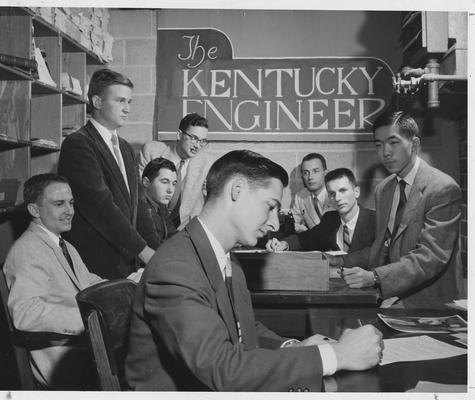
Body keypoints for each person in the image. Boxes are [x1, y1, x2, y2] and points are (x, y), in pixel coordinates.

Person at [125, 150, 383, 391]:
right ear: (237, 190)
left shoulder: (227, 259)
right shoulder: (176, 268)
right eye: (270, 206)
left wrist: (293, 346)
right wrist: (336, 355)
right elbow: (223, 369)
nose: (272, 222)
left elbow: (243, 328)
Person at [341, 110, 463, 308]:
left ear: (414, 144)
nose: (385, 152)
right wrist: (339, 262)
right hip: (393, 298)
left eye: (393, 142)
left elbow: (431, 257)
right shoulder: (384, 189)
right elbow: (381, 246)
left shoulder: (442, 188)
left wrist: (375, 277)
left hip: (434, 305)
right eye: (378, 145)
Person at [3, 174, 104, 389]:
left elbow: (87, 282)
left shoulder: (64, 244)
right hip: (65, 360)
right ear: (34, 210)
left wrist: (127, 286)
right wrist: (87, 319)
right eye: (59, 204)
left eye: (71, 203)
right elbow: (26, 313)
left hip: (85, 349)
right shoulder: (27, 249)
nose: (70, 211)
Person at [58, 68, 152, 279]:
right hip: (96, 263)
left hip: (127, 260)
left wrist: (159, 254)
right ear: (98, 102)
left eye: (129, 102)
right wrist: (145, 251)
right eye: (120, 101)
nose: (127, 109)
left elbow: (140, 206)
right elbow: (100, 205)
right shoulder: (78, 144)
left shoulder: (126, 148)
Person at [266, 168, 375, 267]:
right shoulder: (330, 219)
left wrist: (339, 260)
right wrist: (284, 244)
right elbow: (307, 239)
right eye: (332, 193)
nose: (337, 198)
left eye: (342, 191)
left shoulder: (375, 220)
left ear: (356, 192)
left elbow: (374, 254)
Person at [137, 112, 215, 229]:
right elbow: (139, 192)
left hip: (184, 228)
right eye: (194, 138)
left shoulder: (206, 162)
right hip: (150, 222)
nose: (197, 146)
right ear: (179, 135)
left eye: (202, 141)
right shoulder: (152, 151)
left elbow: (212, 199)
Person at [137, 157, 178, 250]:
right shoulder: (140, 208)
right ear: (146, 182)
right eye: (164, 182)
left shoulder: (160, 205)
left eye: (174, 184)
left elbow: (172, 234)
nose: (170, 190)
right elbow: (155, 245)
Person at [290, 153, 334, 233]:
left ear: (326, 173)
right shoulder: (300, 196)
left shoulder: (335, 194)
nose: (310, 177)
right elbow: (293, 223)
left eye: (315, 171)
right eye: (306, 173)